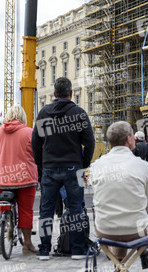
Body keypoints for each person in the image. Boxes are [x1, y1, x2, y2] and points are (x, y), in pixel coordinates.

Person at [90, 121, 148, 272]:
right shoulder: (143, 166)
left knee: (117, 221)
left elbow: (97, 196)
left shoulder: (96, 166)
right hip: (136, 231)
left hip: (105, 229)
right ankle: (140, 258)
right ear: (129, 139)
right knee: (134, 219)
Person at [32, 77, 95, 260]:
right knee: (75, 208)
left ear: (54, 94)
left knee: (46, 210)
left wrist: (40, 164)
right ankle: (77, 249)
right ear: (71, 93)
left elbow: (36, 142)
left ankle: (44, 250)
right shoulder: (79, 113)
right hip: (73, 167)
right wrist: (84, 163)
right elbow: (89, 141)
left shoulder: (44, 112)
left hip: (50, 167)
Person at [0, 106, 39, 255]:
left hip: (2, 177)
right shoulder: (29, 132)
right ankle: (27, 244)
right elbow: (37, 153)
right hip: (24, 178)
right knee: (25, 211)